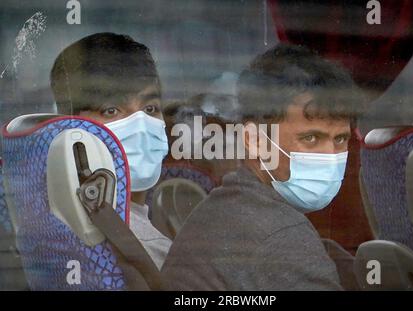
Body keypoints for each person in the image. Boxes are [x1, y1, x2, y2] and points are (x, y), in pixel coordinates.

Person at [161, 43, 362, 290]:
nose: (331, 156)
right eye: (310, 138)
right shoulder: (282, 236)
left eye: (340, 139)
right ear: (255, 141)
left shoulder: (223, 207)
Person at [50, 32, 172, 270]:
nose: (141, 127)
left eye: (150, 108)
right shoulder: (150, 251)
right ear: (70, 125)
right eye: (111, 111)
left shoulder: (56, 216)